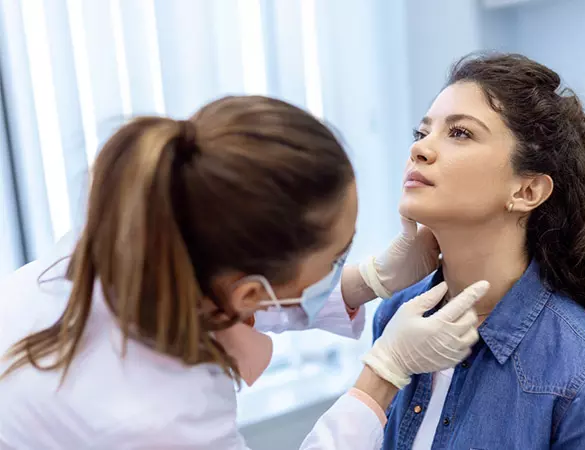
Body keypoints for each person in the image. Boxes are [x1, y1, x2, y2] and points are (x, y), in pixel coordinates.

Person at [0, 96, 489, 449]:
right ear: (251, 292)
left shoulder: (125, 244)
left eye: (461, 131)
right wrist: (384, 373)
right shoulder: (157, 418)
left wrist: (368, 281)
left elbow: (212, 295)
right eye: (336, 260)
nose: (422, 150)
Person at [374, 53, 585, 449]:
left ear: (527, 191)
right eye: (421, 133)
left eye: (460, 133)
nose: (419, 151)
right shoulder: (397, 314)